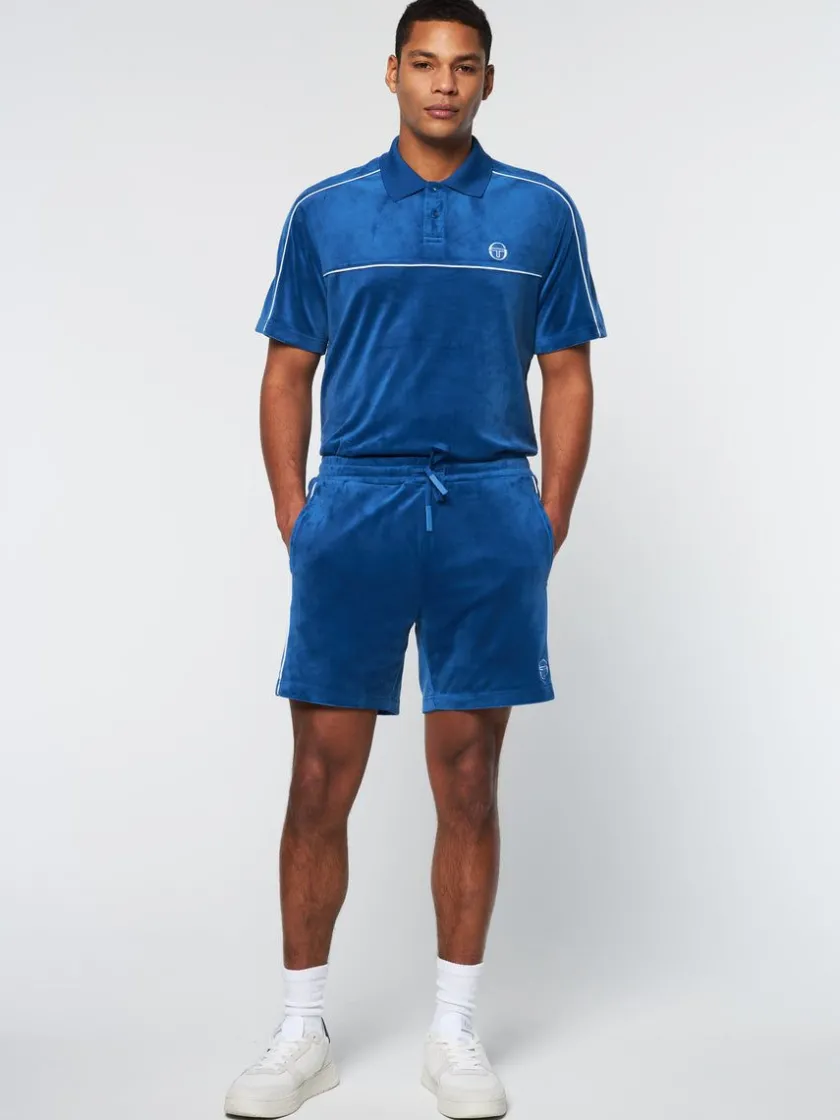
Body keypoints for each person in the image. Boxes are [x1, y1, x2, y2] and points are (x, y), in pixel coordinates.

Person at [224, 0, 606, 1116]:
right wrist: (298, 512)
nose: (445, 83)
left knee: (470, 777)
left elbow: (568, 373)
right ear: (391, 73)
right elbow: (287, 369)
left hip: (489, 508)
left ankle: (455, 1030)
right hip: (358, 502)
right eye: (426, 63)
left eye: (465, 66)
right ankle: (302, 1030)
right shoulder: (327, 213)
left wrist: (547, 517)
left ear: (488, 80)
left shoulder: (538, 211)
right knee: (318, 775)